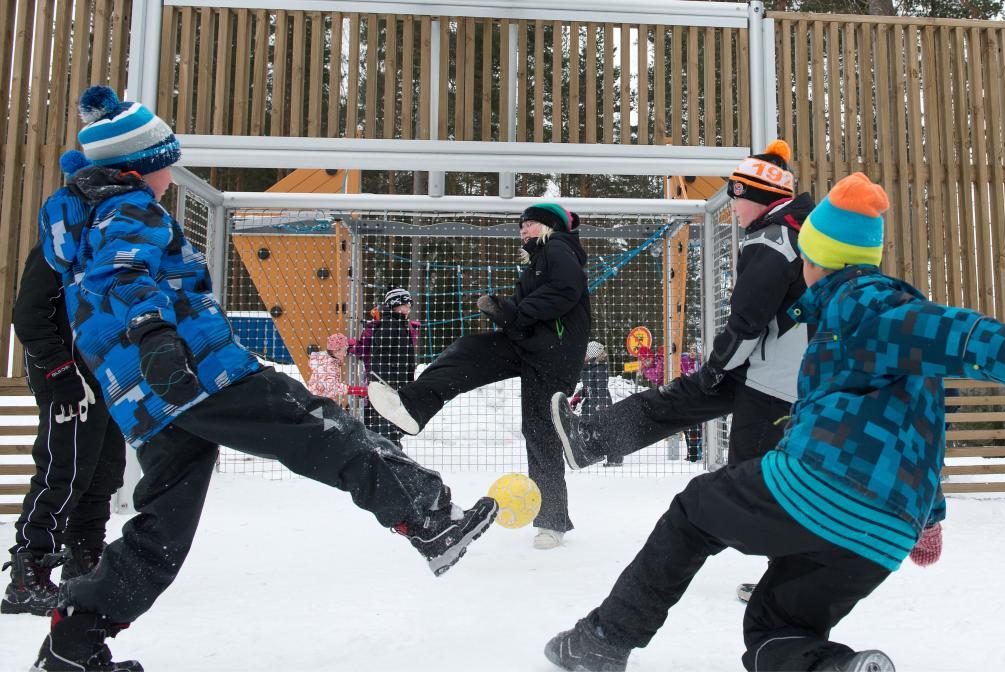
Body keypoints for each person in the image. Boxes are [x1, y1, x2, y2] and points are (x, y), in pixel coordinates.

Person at [543, 173, 1005, 672]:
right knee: (776, 629)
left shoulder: (869, 306)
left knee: (695, 510)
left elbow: (968, 333)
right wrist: (930, 517)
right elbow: (922, 433)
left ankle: (603, 640)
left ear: (817, 260)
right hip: (883, 534)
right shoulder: (868, 328)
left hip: (823, 485)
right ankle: (833, 668)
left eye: (806, 259)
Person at [28, 86, 497, 671]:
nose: (170, 178)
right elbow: (125, 279)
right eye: (164, 166)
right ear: (138, 167)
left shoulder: (92, 213)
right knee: (318, 427)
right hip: (192, 369)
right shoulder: (127, 207)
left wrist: (151, 352)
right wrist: (155, 339)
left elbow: (106, 287)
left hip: (147, 397)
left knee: (163, 527)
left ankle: (75, 642)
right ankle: (428, 517)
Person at [550, 139, 813, 472]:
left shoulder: (772, 240)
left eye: (738, 197)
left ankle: (591, 438)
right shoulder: (799, 234)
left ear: (760, 197)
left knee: (748, 488)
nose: (733, 207)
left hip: (772, 386)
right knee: (673, 399)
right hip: (771, 371)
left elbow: (747, 322)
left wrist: (715, 367)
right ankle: (590, 438)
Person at [369, 203, 591, 550]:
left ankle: (552, 521)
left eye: (529, 224)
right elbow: (525, 310)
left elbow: (565, 291)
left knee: (541, 432)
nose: (523, 230)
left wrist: (514, 310)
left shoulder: (559, 248)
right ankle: (413, 406)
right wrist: (504, 312)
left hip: (556, 355)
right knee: (470, 350)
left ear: (548, 226)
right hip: (531, 345)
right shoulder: (536, 262)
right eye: (521, 225)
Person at [4, 223, 126, 616]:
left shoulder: (122, 245)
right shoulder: (60, 244)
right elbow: (29, 315)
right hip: (69, 377)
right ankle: (29, 575)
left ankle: (83, 564)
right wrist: (60, 371)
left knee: (104, 472)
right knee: (64, 471)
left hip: (106, 373)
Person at [348, 288, 420, 444]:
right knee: (384, 426)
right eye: (406, 304)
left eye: (410, 304)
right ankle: (386, 454)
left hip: (396, 385)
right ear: (396, 305)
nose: (409, 308)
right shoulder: (389, 325)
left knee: (391, 425)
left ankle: (388, 452)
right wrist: (388, 382)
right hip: (387, 385)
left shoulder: (401, 325)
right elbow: (380, 355)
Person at [569, 341, 618, 466]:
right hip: (589, 405)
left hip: (601, 405)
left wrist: (601, 405)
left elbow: (601, 388)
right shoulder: (586, 369)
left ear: (592, 354)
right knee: (588, 430)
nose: (583, 355)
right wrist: (578, 396)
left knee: (605, 430)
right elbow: (587, 388)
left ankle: (615, 458)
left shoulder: (600, 368)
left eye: (585, 353)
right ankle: (594, 454)